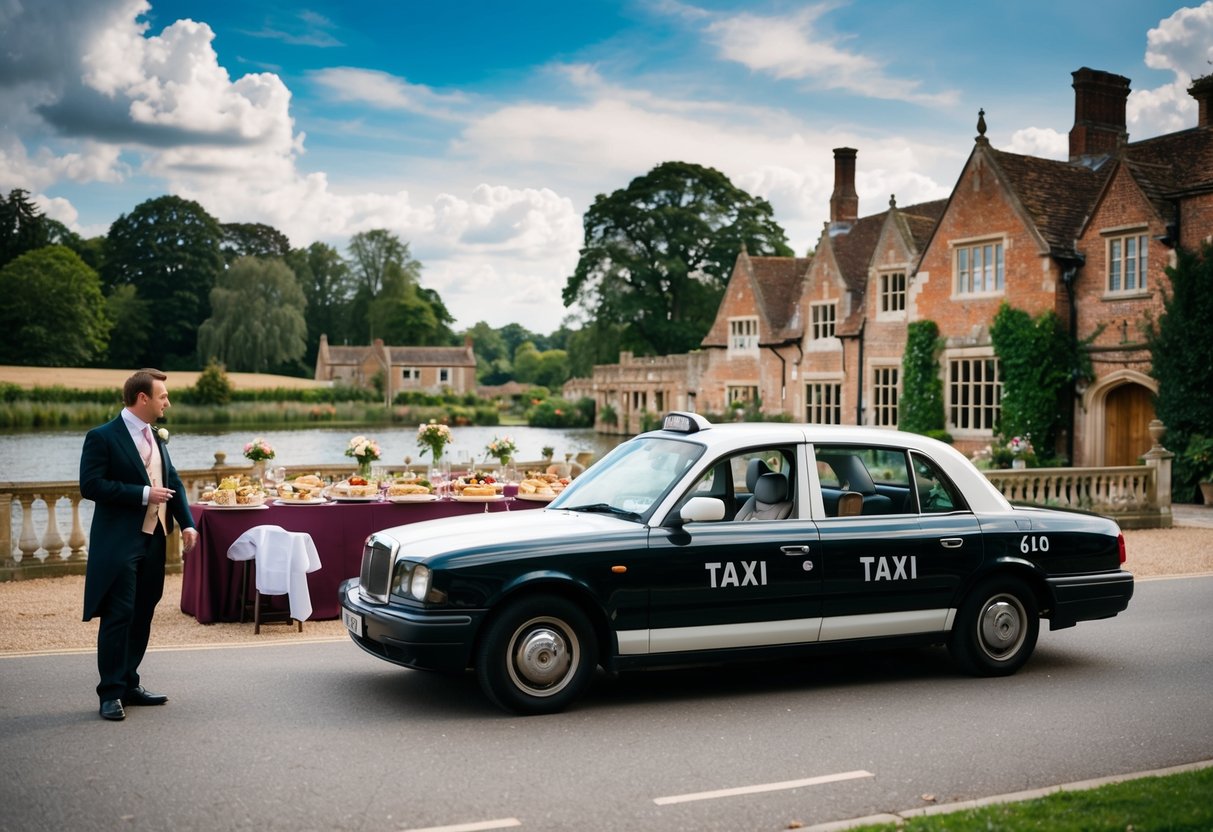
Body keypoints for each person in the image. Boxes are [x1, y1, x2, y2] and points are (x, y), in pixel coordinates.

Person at [80, 369, 198, 721]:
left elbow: (170, 479)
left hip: (155, 539)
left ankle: (130, 682)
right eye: (162, 396)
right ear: (142, 398)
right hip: (118, 541)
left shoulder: (155, 436)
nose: (168, 402)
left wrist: (188, 523)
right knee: (119, 614)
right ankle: (110, 693)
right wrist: (143, 494)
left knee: (144, 610)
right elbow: (91, 486)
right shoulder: (101, 437)